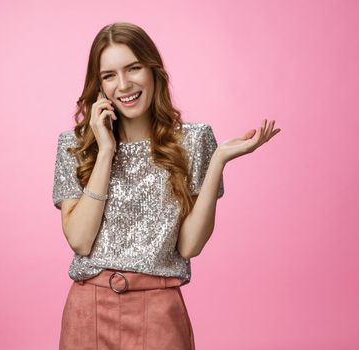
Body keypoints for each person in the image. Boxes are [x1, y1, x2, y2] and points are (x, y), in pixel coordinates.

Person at [52, 22, 280, 350]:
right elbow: (80, 240)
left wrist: (217, 161)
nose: (124, 84)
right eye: (109, 75)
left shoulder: (193, 140)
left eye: (134, 68)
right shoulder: (74, 146)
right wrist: (105, 152)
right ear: (98, 85)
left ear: (153, 70)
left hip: (158, 311)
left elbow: (189, 247)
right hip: (89, 311)